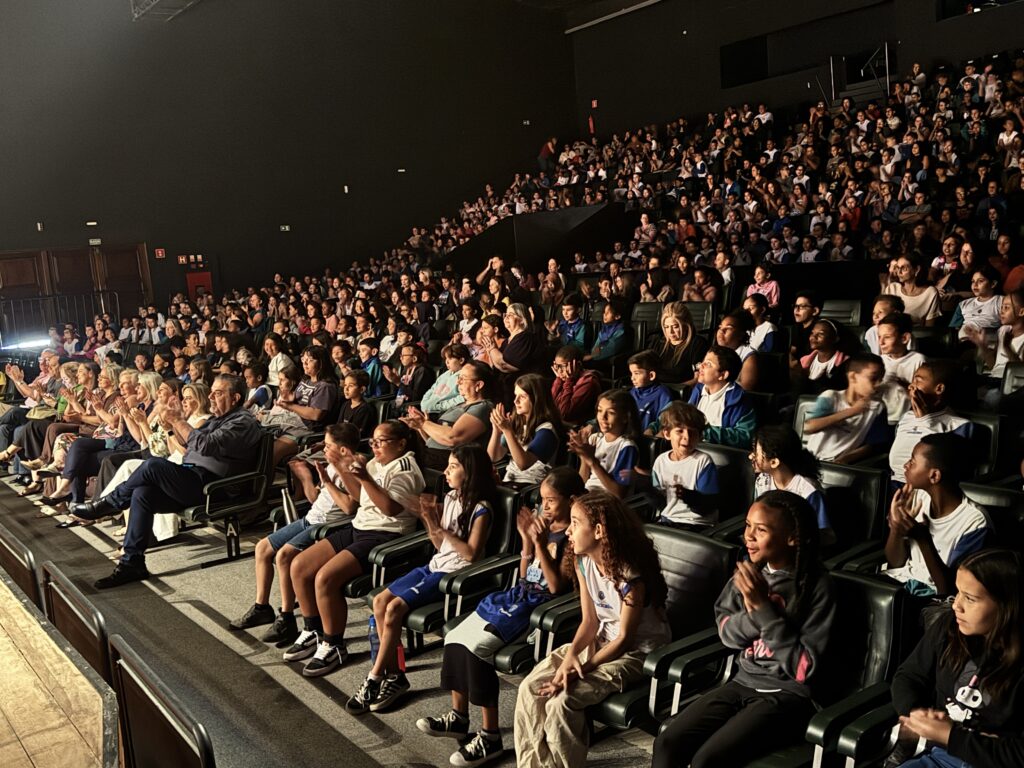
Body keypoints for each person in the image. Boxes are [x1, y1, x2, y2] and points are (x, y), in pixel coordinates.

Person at [651, 491, 835, 768]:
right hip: (741, 681)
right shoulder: (750, 575)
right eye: (748, 525)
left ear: (792, 537)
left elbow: (802, 669)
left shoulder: (818, 588)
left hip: (788, 696)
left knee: (707, 760)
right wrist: (757, 614)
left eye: (760, 530)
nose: (748, 535)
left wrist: (762, 609)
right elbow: (726, 633)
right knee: (667, 740)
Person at [417, 467, 584, 767]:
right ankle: (458, 717)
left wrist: (540, 545)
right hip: (517, 596)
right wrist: (525, 543)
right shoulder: (542, 528)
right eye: (542, 500)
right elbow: (525, 575)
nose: (544, 506)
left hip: (538, 610)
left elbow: (557, 587)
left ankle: (490, 736)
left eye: (551, 500)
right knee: (454, 636)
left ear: (571, 500)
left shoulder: (574, 537)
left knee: (477, 648)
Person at [514, 490, 670, 768]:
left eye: (575, 523)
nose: (568, 531)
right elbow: (589, 621)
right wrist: (572, 656)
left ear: (598, 531)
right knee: (530, 689)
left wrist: (579, 670)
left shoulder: (629, 577)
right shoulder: (583, 562)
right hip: (599, 640)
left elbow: (624, 639)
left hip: (636, 653)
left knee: (561, 703)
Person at [68, 374, 264, 588]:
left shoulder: (242, 422)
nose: (211, 397)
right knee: (143, 494)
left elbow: (206, 445)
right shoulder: (219, 419)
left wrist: (178, 420)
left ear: (235, 397)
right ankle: (132, 563)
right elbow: (189, 445)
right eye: (211, 392)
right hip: (195, 477)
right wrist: (173, 425)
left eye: (218, 393)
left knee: (153, 465)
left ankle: (108, 504)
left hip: (216, 488)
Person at [346, 444, 494, 715]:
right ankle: (395, 676)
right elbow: (439, 544)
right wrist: (429, 520)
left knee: (393, 608)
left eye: (453, 467)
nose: (446, 472)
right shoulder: (449, 498)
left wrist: (439, 528)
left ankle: (375, 677)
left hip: (453, 574)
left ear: (470, 473)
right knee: (379, 601)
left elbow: (471, 554)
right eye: (448, 466)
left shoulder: (482, 509)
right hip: (435, 564)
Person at [281, 421, 426, 669]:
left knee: (325, 578)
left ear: (401, 443)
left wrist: (366, 477)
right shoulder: (373, 463)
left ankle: (334, 644)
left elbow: (390, 509)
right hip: (360, 527)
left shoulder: (405, 469)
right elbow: (359, 498)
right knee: (299, 566)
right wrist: (339, 468)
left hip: (385, 535)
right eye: (373, 441)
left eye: (381, 441)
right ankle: (313, 629)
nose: (375, 446)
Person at [888, 548, 1024, 768]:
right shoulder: (950, 627)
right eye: (958, 592)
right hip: (943, 757)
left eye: (970, 598)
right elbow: (909, 676)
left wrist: (950, 736)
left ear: (1008, 607)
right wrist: (918, 716)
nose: (956, 605)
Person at [228, 423, 362, 640]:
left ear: (343, 449)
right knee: (262, 548)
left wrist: (328, 480)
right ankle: (262, 608)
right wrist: (306, 478)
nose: (324, 449)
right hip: (310, 519)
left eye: (328, 445)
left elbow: (349, 507)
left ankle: (286, 617)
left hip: (327, 527)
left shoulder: (354, 468)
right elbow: (314, 499)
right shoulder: (329, 465)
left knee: (284, 556)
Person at [882, 434, 991, 597]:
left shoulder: (974, 522)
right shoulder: (919, 497)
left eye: (912, 462)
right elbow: (895, 563)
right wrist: (897, 529)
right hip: (900, 585)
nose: (905, 466)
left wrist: (923, 540)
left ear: (934, 476)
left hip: (932, 599)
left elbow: (949, 590)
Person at [401, 360, 494, 471]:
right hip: (431, 455)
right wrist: (420, 427)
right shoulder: (459, 404)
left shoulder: (482, 407)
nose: (458, 382)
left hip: (451, 463)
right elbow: (436, 441)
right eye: (458, 377)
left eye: (463, 379)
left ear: (478, 385)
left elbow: (452, 438)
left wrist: (424, 423)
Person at [750, 424, 832, 545]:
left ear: (774, 462)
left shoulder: (808, 491)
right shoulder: (762, 481)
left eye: (756, 454)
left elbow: (822, 535)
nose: (751, 456)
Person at [804, 353, 889, 464]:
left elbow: (872, 446)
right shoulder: (831, 397)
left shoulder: (878, 407)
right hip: (812, 460)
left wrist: (845, 460)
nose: (878, 384)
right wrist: (852, 411)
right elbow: (809, 427)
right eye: (873, 378)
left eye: (880, 379)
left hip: (839, 465)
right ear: (853, 377)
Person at [652, 402, 719, 530]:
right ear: (666, 434)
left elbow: (707, 506)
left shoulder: (703, 462)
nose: (687, 437)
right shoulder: (660, 461)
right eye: (680, 431)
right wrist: (645, 486)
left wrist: (688, 496)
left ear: (700, 437)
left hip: (696, 524)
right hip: (668, 521)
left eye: (692, 432)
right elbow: (660, 502)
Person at [487, 373, 561, 486]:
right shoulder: (518, 423)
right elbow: (494, 456)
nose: (515, 401)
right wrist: (496, 431)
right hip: (510, 480)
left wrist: (507, 430)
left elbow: (523, 464)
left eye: (522, 397)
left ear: (536, 399)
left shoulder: (546, 430)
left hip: (531, 484)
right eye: (515, 395)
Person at [271, 345, 339, 466]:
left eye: (311, 360)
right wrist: (287, 398)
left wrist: (290, 406)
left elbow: (315, 414)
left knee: (271, 452)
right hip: (290, 421)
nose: (305, 363)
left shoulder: (325, 386)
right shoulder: (306, 380)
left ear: (321, 363)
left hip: (306, 429)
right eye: (304, 359)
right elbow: (296, 399)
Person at [568, 388, 640, 499]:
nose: (603, 417)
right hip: (587, 494)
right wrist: (584, 456)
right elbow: (582, 481)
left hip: (607, 500)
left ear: (625, 417)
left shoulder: (627, 447)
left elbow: (619, 493)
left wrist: (592, 461)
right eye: (600, 411)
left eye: (611, 413)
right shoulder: (594, 439)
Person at [688, 346, 757, 449]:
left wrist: (706, 433)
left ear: (723, 375)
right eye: (703, 361)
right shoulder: (698, 390)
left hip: (720, 455)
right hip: (692, 448)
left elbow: (744, 436)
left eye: (708, 364)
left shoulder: (739, 399)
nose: (700, 366)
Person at [877, 313, 929, 424]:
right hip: (881, 418)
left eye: (887, 337)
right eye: (879, 337)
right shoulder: (879, 360)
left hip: (907, 419)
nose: (881, 342)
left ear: (904, 338)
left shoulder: (918, 360)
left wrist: (903, 384)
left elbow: (925, 396)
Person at [653, 302, 708, 384]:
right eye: (666, 327)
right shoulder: (659, 342)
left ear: (686, 325)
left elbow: (698, 378)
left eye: (675, 327)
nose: (670, 332)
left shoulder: (698, 344)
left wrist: (679, 390)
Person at [549, 345, 602, 427]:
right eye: (557, 366)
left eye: (563, 366)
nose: (559, 371)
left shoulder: (588, 382)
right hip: (561, 423)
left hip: (577, 427)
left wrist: (569, 381)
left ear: (578, 365)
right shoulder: (563, 378)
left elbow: (564, 414)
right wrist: (558, 380)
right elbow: (549, 405)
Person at [627, 351, 673, 435]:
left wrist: (651, 430)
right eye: (631, 374)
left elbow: (663, 420)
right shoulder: (632, 392)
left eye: (636, 373)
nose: (632, 378)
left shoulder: (663, 394)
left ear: (651, 375)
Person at [420, 343, 468, 415]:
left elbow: (462, 398)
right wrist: (424, 403)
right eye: (446, 359)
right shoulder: (445, 374)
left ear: (461, 360)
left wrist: (438, 406)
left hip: (444, 413)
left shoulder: (465, 377)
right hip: (428, 409)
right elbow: (432, 389)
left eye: (450, 358)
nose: (447, 362)